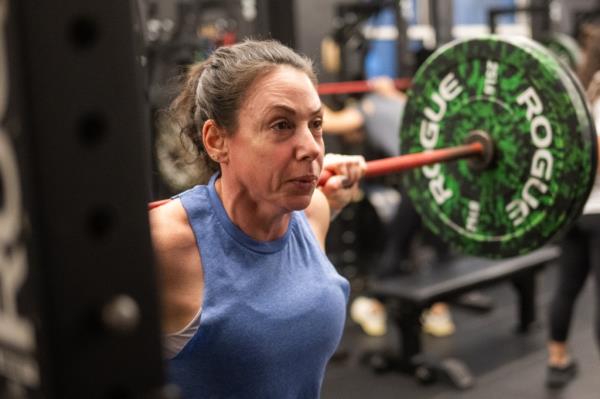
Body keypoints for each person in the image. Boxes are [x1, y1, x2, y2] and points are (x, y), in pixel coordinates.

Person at [149, 39, 366, 398]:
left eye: (315, 124)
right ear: (217, 140)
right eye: (281, 125)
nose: (312, 147)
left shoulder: (313, 211)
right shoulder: (165, 243)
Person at [323, 77, 457, 338]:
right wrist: (391, 91)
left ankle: (376, 307)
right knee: (437, 244)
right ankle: (439, 312)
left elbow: (330, 122)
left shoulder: (366, 108)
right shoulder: (400, 101)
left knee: (397, 243)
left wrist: (307, 88)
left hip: (421, 178)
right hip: (446, 173)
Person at [546, 25, 600, 389]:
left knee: (567, 286)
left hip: (576, 210)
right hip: (599, 212)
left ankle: (557, 361)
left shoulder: (583, 94)